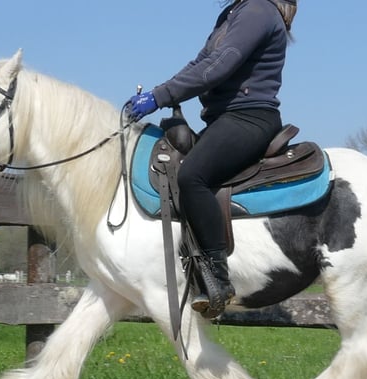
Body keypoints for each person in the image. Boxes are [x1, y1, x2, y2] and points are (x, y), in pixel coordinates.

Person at [128, 0, 298, 318]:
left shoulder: (258, 10)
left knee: (192, 176)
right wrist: (160, 92)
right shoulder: (234, 13)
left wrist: (160, 98)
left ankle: (217, 280)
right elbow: (199, 64)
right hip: (223, 120)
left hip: (249, 119)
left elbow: (217, 67)